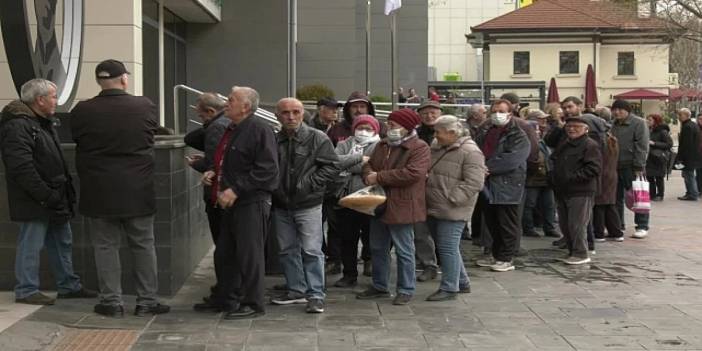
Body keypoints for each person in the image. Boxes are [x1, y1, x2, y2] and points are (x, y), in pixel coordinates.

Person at [70, 59, 168, 317]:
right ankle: (147, 301)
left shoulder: (82, 109)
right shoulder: (144, 105)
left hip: (99, 191)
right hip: (138, 190)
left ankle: (111, 302)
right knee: (143, 245)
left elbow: (78, 140)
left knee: (105, 247)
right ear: (124, 79)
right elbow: (150, 135)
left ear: (99, 81)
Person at [0, 78, 95, 306]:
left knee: (62, 241)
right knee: (31, 243)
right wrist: (45, 195)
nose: (56, 101)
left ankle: (68, 285)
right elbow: (21, 167)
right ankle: (26, 289)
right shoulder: (18, 125)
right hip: (37, 198)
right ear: (39, 100)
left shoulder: (41, 122)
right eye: (53, 96)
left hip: (54, 196)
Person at [200, 86, 279, 319]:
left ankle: (253, 304)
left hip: (251, 202)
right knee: (224, 253)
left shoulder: (259, 129)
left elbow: (268, 170)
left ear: (246, 106)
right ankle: (227, 298)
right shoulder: (232, 129)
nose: (227, 102)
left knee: (249, 255)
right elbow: (230, 160)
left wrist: (236, 189)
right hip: (230, 203)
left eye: (232, 100)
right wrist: (214, 172)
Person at [270, 98, 340, 314]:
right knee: (286, 249)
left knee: (311, 250)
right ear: (277, 115)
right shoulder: (274, 139)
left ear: (303, 113)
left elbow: (332, 167)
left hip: (308, 204)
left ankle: (316, 294)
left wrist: (309, 184)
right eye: (285, 113)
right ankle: (296, 289)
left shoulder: (317, 137)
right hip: (281, 204)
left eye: (295, 112)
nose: (291, 117)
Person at [357, 109, 430, 305]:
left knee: (404, 248)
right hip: (378, 203)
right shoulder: (382, 145)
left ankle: (406, 288)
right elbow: (368, 165)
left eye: (393, 125)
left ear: (407, 128)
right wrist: (368, 174)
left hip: (403, 204)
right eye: (388, 124)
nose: (389, 128)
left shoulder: (419, 147)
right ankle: (379, 285)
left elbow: (413, 173)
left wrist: (378, 177)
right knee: (377, 247)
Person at [425, 115, 485, 301]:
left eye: (438, 132)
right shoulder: (437, 147)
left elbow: (475, 182)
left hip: (452, 208)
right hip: (435, 205)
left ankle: (450, 288)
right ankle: (462, 281)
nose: (435, 135)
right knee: (448, 247)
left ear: (452, 132)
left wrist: (452, 199)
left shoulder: (470, 151)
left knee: (447, 248)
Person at [474, 99, 530, 272]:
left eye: (501, 111)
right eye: (494, 111)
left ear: (510, 113)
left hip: (508, 185)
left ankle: (506, 257)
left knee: (507, 223)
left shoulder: (518, 135)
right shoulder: (486, 132)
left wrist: (486, 168)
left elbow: (512, 159)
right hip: (487, 183)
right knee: (492, 222)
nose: (497, 114)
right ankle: (497, 255)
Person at [332, 115, 381, 287]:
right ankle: (349, 274)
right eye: (361, 127)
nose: (364, 131)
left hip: (370, 198)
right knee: (347, 238)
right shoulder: (344, 144)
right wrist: (361, 160)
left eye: (368, 128)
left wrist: (350, 163)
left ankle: (372, 267)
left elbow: (378, 166)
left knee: (372, 236)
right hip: (346, 198)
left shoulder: (380, 145)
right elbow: (334, 162)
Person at [550, 116, 602, 265]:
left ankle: (581, 253)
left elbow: (594, 168)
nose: (571, 129)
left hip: (581, 190)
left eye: (576, 127)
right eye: (569, 127)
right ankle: (572, 251)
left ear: (586, 129)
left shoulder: (589, 145)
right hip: (563, 189)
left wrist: (572, 177)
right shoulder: (566, 143)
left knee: (577, 224)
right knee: (565, 224)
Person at [611, 99, 650, 238]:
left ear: (628, 110)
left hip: (632, 166)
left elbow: (642, 145)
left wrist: (639, 165)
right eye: (614, 109)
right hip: (615, 165)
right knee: (616, 197)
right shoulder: (612, 124)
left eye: (620, 109)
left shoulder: (639, 123)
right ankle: (617, 224)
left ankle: (642, 226)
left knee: (638, 195)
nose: (617, 112)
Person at [414, 100, 443, 282]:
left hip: (442, 187)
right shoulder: (415, 134)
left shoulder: (451, 132)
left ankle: (445, 262)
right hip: (419, 187)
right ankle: (428, 263)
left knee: (443, 229)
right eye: (425, 113)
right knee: (421, 229)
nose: (429, 116)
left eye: (433, 112)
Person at [522, 109, 560, 238]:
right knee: (530, 204)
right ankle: (528, 228)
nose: (544, 123)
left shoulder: (544, 137)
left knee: (549, 205)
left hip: (546, 177)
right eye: (541, 120)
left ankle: (549, 228)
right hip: (532, 178)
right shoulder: (527, 137)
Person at [645, 114, 673, 201]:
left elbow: (669, 144)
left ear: (655, 121)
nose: (648, 121)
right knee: (649, 176)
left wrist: (654, 143)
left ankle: (660, 195)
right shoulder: (648, 130)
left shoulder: (662, 131)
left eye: (650, 120)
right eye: (647, 120)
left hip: (658, 158)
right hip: (650, 157)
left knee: (659, 178)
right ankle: (652, 194)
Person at [675, 108, 701, 201]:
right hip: (693, 155)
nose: (678, 117)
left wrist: (680, 157)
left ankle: (692, 194)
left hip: (688, 157)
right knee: (688, 174)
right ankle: (691, 192)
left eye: (680, 115)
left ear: (686, 115)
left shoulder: (687, 126)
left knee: (688, 175)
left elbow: (686, 144)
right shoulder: (693, 125)